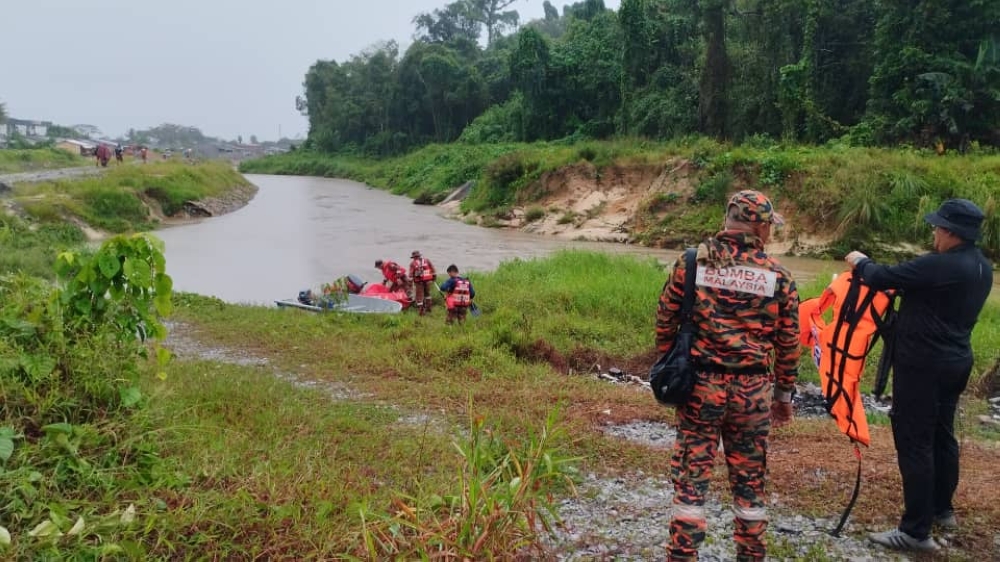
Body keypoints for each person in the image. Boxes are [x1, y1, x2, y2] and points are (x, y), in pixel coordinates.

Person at [655, 190, 800, 562]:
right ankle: (751, 555)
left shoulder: (692, 263)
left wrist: (673, 369)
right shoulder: (779, 277)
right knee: (750, 484)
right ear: (761, 227)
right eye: (770, 225)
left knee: (691, 481)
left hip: (700, 387)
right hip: (752, 392)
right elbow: (788, 344)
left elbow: (666, 321)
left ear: (728, 220)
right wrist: (783, 398)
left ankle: (682, 555)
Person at [846, 199, 993, 552]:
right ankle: (942, 508)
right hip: (957, 360)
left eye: (938, 227)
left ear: (951, 233)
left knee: (915, 441)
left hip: (923, 364)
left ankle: (915, 531)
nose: (933, 232)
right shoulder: (982, 267)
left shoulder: (939, 266)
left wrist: (860, 261)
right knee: (942, 435)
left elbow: (882, 277)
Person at [409, 250, 437, 316]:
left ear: (413, 257)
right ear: (419, 255)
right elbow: (433, 270)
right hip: (428, 281)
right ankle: (429, 308)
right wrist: (434, 279)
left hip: (419, 282)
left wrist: (410, 283)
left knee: (419, 296)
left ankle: (421, 312)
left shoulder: (412, 263)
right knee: (428, 294)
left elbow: (410, 275)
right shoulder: (427, 260)